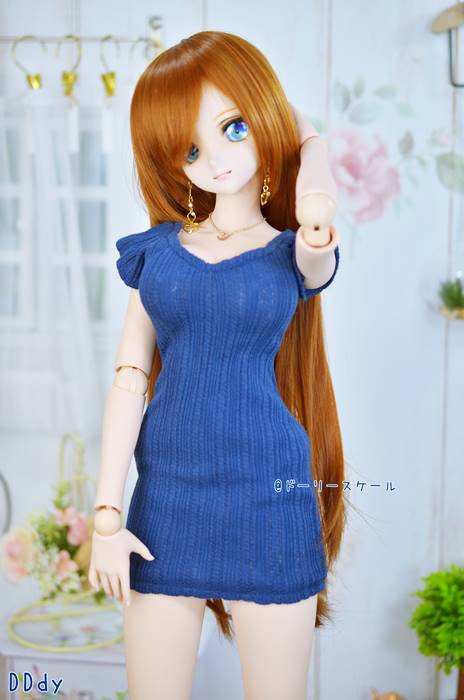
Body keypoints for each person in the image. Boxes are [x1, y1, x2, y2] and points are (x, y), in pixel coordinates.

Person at [89, 30, 345, 700]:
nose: (217, 159)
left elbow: (318, 230)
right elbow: (129, 380)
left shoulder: (292, 252)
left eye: (235, 128)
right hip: (167, 503)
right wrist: (107, 514)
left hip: (269, 499)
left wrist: (310, 144)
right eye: (191, 148)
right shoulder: (157, 254)